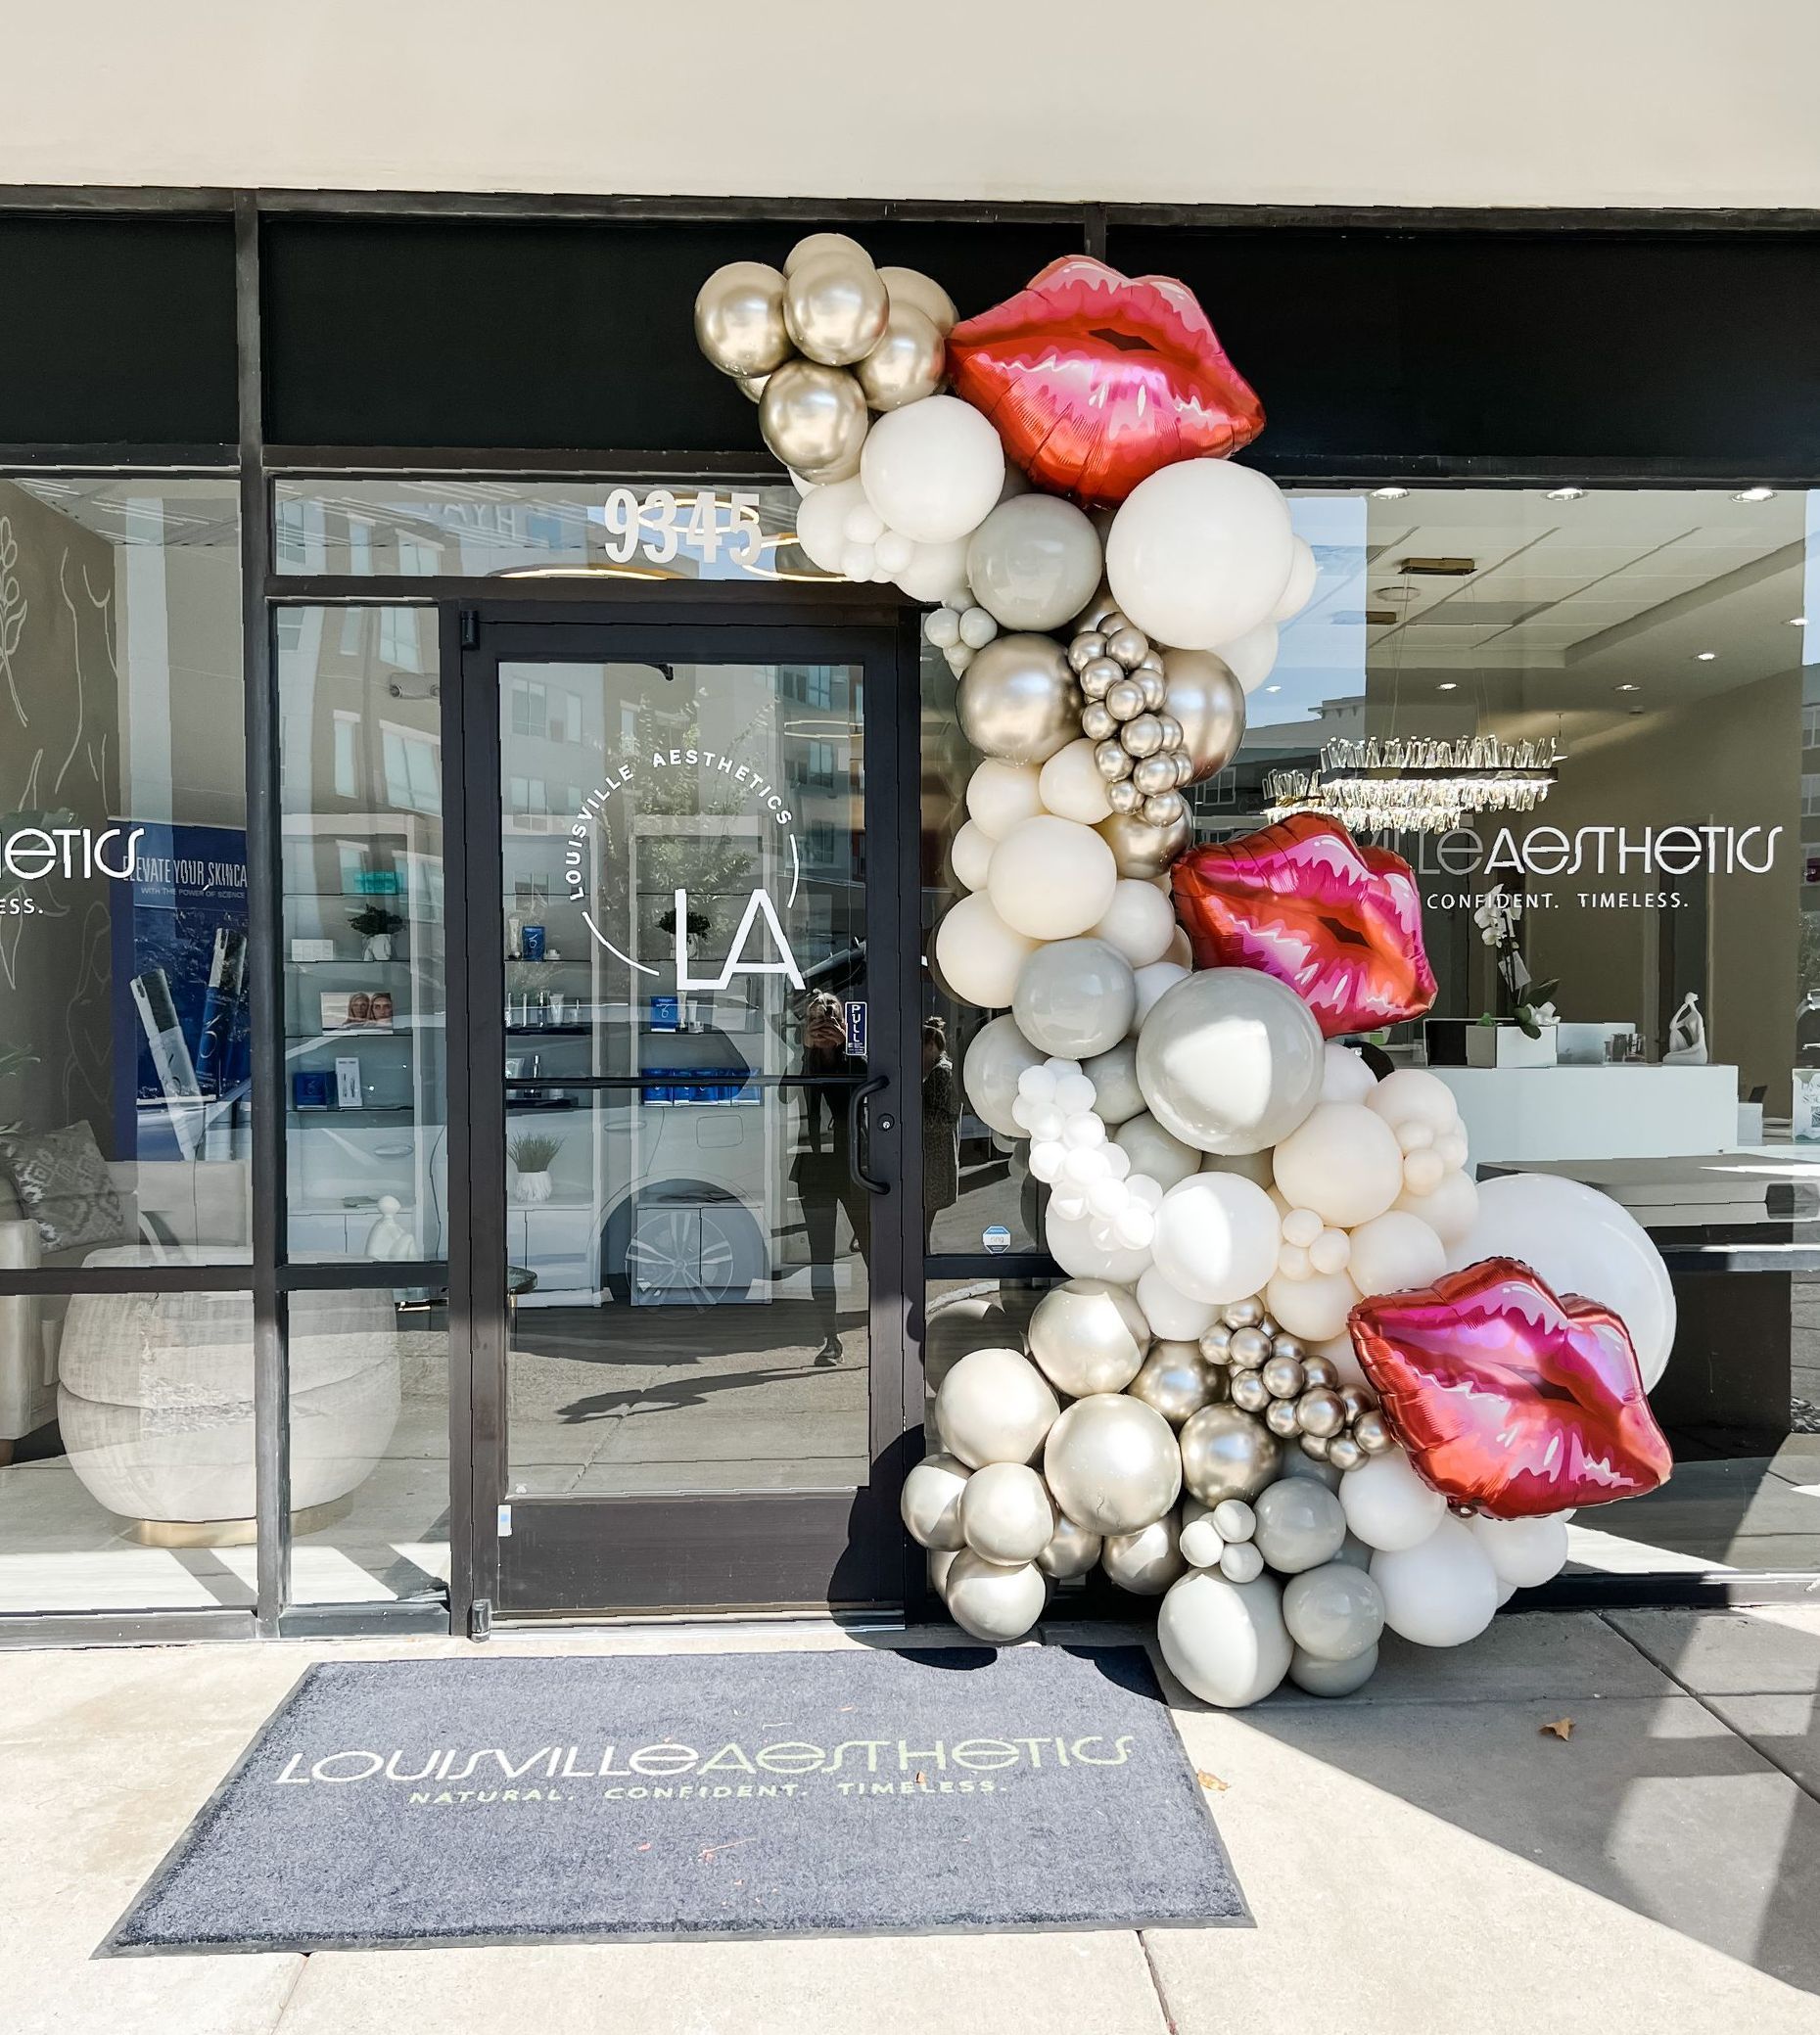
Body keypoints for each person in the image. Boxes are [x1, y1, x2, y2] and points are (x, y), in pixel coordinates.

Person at [790, 991, 869, 1367]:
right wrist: (806, 1051)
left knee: (876, 1254)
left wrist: (846, 1049)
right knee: (821, 1260)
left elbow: (867, 1094)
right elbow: (785, 1097)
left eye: (831, 1016)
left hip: (856, 1166)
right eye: (816, 1019)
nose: (824, 1024)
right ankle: (830, 1338)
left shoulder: (857, 1055)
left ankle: (886, 1332)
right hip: (816, 1166)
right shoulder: (802, 1058)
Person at [921, 1015, 959, 1252]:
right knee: (922, 1223)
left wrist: (912, 1109)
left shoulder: (940, 1074)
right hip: (936, 1162)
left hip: (934, 1163)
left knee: (922, 1223)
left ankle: (922, 1268)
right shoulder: (939, 1071)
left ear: (932, 1045)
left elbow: (944, 1120)